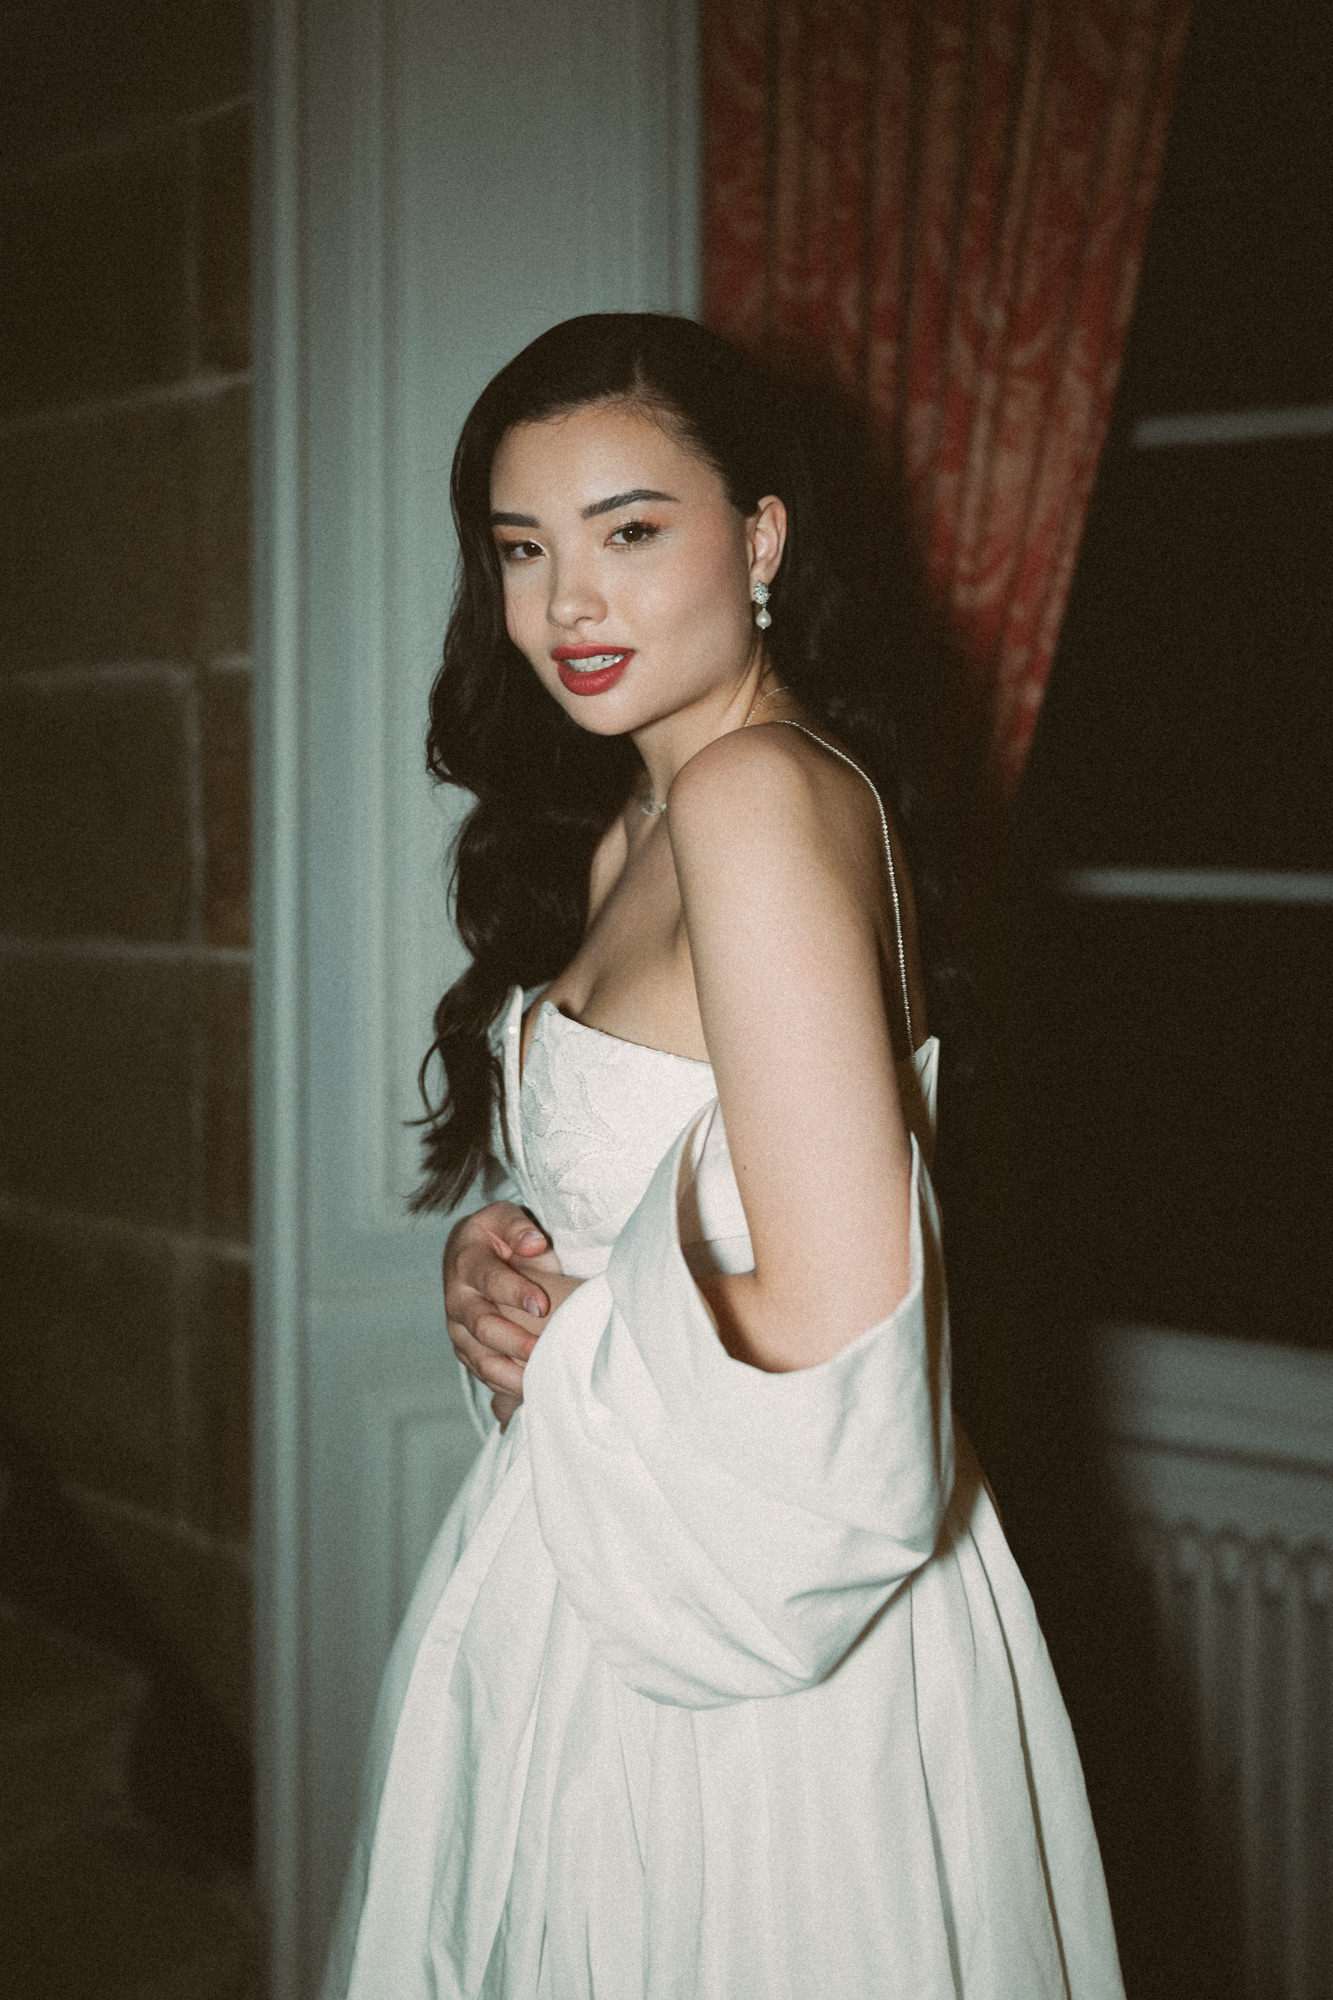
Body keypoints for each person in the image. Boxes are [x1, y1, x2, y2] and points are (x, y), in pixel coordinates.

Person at [321, 313, 1125, 1998]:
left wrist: (586, 1332)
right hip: (608, 1557)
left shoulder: (757, 794)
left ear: (759, 536)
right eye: (522, 550)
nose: (566, 606)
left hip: (754, 1630)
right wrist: (515, 1253)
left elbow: (846, 1334)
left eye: (630, 532)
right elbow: (686, 1188)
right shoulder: (642, 816)